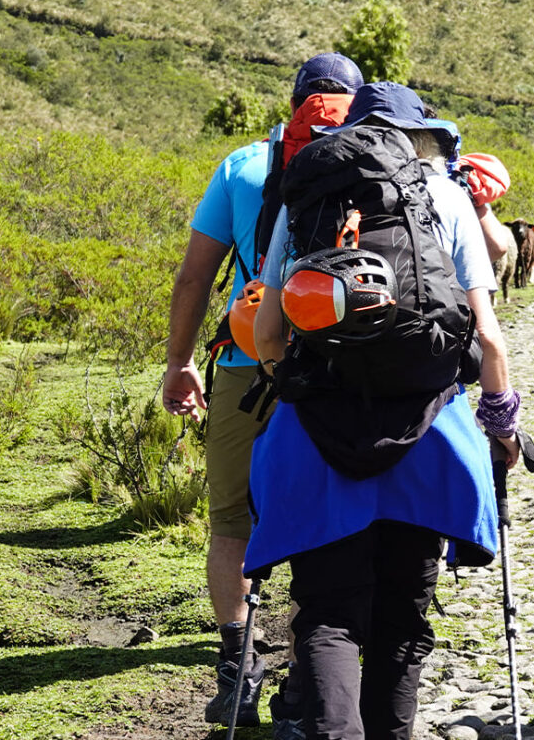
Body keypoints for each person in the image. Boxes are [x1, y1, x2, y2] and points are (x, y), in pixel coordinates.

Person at [244, 82, 523, 740]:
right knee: (402, 619)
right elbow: (488, 336)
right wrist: (502, 425)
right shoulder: (448, 197)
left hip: (320, 435)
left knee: (328, 613)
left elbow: (267, 333)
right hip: (427, 435)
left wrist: (302, 381)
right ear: (423, 135)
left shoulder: (308, 197)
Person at [160, 52, 363, 726]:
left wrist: (179, 361)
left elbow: (194, 277)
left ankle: (236, 671)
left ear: (295, 99)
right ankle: (311, 672)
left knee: (230, 522)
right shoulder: (374, 162)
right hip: (335, 370)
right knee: (323, 522)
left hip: (248, 361)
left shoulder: (243, 164)